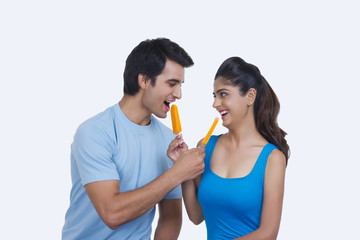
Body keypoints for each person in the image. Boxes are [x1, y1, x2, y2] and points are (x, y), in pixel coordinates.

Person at [62, 38, 206, 240]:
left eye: (180, 85)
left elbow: (171, 218)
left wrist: (179, 171)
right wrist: (178, 173)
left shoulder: (170, 141)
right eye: (172, 84)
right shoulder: (95, 132)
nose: (179, 94)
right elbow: (112, 213)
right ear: (144, 80)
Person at [179, 57, 290, 239]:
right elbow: (197, 216)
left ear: (250, 96)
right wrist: (182, 169)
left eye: (223, 94)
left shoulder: (272, 158)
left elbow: (269, 233)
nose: (215, 104)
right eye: (214, 96)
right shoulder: (206, 147)